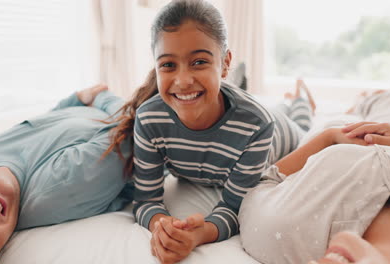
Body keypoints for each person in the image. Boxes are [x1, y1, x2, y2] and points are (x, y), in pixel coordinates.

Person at [107, 1, 315, 263]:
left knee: (302, 123)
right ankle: (290, 98)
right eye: (169, 65)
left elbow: (235, 207)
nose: (182, 81)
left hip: (283, 133)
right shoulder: (150, 119)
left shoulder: (257, 124)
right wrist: (164, 227)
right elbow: (147, 200)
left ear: (225, 62)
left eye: (199, 62)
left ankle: (300, 100)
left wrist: (199, 234)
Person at [238, 90, 390, 264]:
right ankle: (364, 98)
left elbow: (265, 182)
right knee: (387, 98)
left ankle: (325, 105)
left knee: (334, 120)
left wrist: (329, 137)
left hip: (331, 141)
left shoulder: (283, 234)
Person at [0, 85, 133, 264]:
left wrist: (78, 98)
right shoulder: (58, 190)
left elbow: (37, 130)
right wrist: (100, 97)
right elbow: (134, 126)